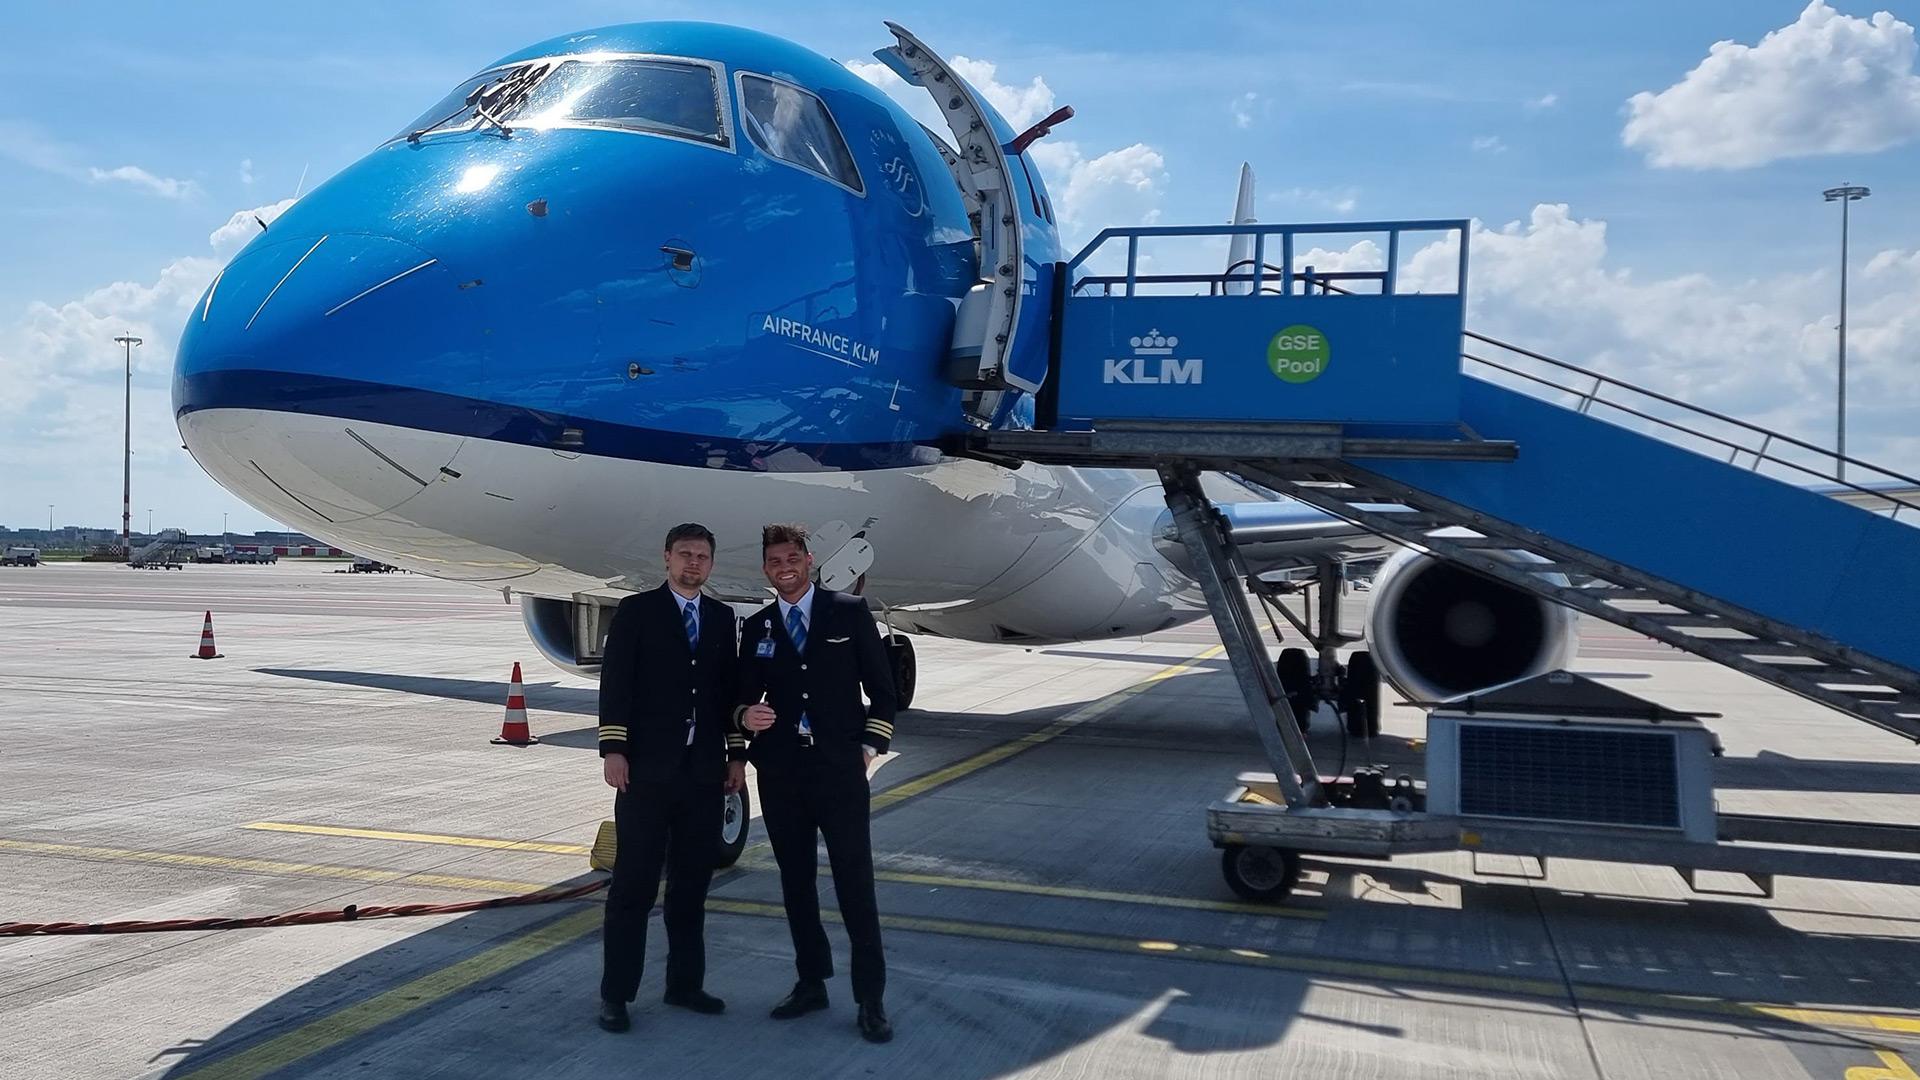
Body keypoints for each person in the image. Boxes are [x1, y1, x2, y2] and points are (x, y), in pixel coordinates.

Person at [735, 522, 898, 1043]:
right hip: (782, 773)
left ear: (808, 560)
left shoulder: (848, 612)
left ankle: (870, 998)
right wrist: (744, 716)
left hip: (839, 771)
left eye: (792, 556)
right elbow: (740, 697)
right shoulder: (758, 627)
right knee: (796, 883)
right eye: (774, 560)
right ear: (766, 569)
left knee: (855, 883)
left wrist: (869, 749)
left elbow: (884, 691)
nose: (784, 565)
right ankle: (811, 982)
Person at [596, 522, 747, 1033]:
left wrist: (735, 756)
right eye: (685, 554)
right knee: (633, 887)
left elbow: (729, 694)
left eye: (702, 556)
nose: (693, 564)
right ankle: (616, 995)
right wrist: (613, 749)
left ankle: (685, 984)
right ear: (666, 558)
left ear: (711, 563)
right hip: (644, 772)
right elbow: (615, 684)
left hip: (703, 774)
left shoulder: (723, 618)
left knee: (690, 887)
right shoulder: (638, 612)